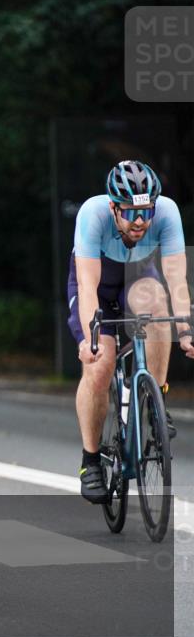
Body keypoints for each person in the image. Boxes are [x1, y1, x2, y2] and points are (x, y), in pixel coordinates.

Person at [68, 160, 192, 503]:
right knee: (100, 364)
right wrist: (90, 339)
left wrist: (184, 329)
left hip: (138, 276)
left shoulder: (166, 212)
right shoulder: (93, 215)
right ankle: (90, 460)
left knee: (156, 301)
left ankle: (156, 399)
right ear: (113, 207)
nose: (140, 222)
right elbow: (88, 284)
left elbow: (176, 277)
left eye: (146, 212)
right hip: (97, 283)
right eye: (130, 214)